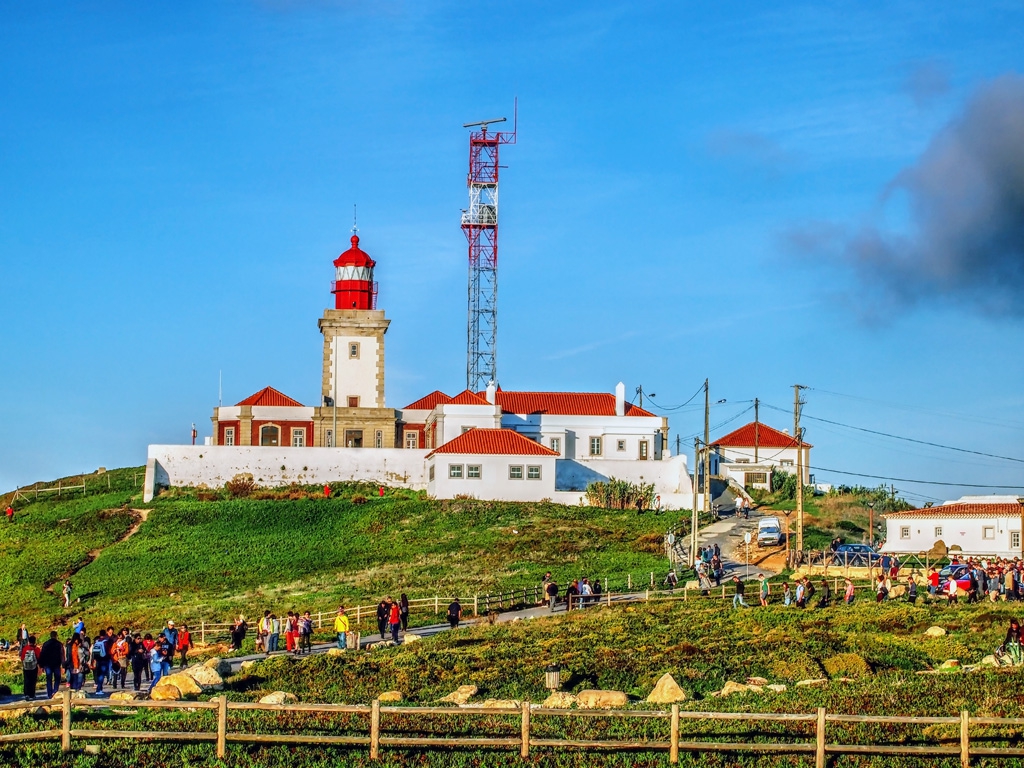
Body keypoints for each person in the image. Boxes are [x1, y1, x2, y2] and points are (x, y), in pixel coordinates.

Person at [39, 630, 65, 698]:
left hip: (47, 664)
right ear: (56, 636)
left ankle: (49, 694)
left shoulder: (46, 644)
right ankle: (55, 691)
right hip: (56, 664)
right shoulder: (59, 644)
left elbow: (42, 654)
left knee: (49, 679)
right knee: (57, 678)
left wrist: (41, 665)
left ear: (50, 636)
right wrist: (63, 665)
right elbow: (62, 655)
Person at [20, 634, 41, 701]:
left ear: (29, 641)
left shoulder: (25, 648)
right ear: (35, 641)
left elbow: (22, 658)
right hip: (34, 667)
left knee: (26, 680)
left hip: (26, 667)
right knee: (33, 681)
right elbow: (39, 658)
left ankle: (27, 694)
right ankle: (32, 694)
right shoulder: (37, 649)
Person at [91, 629, 109, 695]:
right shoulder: (105, 642)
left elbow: (93, 652)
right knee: (102, 675)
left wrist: (93, 660)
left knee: (98, 675)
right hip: (104, 660)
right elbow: (108, 651)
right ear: (105, 634)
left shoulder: (97, 641)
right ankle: (99, 689)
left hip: (97, 660)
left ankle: (98, 688)